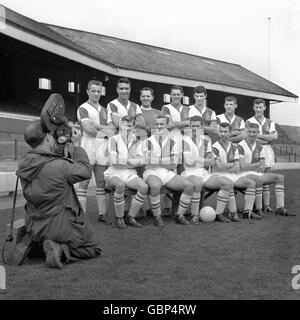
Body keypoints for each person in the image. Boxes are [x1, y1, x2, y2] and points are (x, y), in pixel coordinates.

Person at [16, 120, 101, 269]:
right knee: (92, 248)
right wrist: (77, 145)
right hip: (60, 226)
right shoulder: (58, 166)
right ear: (48, 137)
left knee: (43, 234)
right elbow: (85, 171)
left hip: (35, 224)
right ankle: (59, 248)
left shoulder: (24, 163)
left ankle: (37, 245)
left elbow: (43, 160)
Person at [180, 116, 236, 223]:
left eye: (198, 126)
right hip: (189, 172)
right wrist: (204, 160)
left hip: (204, 172)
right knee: (197, 183)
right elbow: (189, 161)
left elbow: (212, 161)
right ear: (189, 127)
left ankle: (219, 213)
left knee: (228, 184)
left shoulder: (206, 140)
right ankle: (194, 215)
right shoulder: (184, 140)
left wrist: (197, 159)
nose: (195, 128)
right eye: (193, 126)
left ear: (202, 127)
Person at [143, 115, 194, 227]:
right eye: (157, 124)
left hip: (167, 172)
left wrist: (158, 160)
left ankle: (179, 215)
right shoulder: (148, 141)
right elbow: (149, 162)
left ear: (167, 126)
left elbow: (174, 164)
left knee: (189, 186)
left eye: (162, 124)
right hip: (152, 172)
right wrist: (166, 160)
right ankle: (157, 216)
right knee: (155, 186)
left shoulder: (172, 142)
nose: (159, 126)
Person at [76, 80, 115, 222]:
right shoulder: (83, 108)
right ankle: (82, 215)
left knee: (100, 182)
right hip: (88, 148)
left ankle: (102, 214)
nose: (96, 93)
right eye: (93, 91)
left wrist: (97, 126)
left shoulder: (105, 110)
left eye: (99, 91)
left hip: (102, 148)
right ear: (87, 91)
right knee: (84, 182)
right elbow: (88, 129)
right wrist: (103, 130)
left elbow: (112, 130)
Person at [238, 123, 295, 217]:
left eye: (254, 132)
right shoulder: (241, 145)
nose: (251, 134)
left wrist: (253, 166)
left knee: (280, 178)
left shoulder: (260, 146)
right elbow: (242, 167)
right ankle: (259, 209)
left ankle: (280, 208)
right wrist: (256, 164)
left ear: (258, 133)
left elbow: (262, 167)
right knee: (259, 179)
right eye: (249, 132)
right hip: (243, 174)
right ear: (246, 132)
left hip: (257, 173)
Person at [104, 116, 148, 229]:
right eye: (124, 125)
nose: (127, 128)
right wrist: (132, 162)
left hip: (129, 173)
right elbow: (113, 162)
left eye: (129, 126)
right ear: (120, 125)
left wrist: (127, 162)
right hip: (114, 173)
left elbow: (142, 161)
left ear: (133, 127)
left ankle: (131, 217)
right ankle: (119, 217)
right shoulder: (113, 140)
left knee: (143, 187)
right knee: (120, 185)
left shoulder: (138, 141)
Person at [212, 123, 261, 220]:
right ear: (218, 132)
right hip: (218, 175)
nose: (223, 134)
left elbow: (238, 166)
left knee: (251, 183)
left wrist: (228, 166)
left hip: (232, 174)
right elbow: (219, 167)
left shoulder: (234, 147)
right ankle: (230, 213)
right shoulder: (215, 146)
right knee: (229, 183)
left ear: (230, 133)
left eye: (225, 131)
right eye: (221, 131)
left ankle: (247, 211)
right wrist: (231, 165)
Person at [245, 98, 278, 214]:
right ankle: (256, 206)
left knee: (266, 179)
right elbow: (248, 137)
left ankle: (267, 206)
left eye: (260, 107)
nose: (258, 109)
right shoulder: (249, 121)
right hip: (254, 149)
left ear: (264, 108)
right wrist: (266, 137)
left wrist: (259, 137)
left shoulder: (270, 122)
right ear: (253, 108)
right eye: (256, 107)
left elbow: (274, 137)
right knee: (256, 177)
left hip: (267, 150)